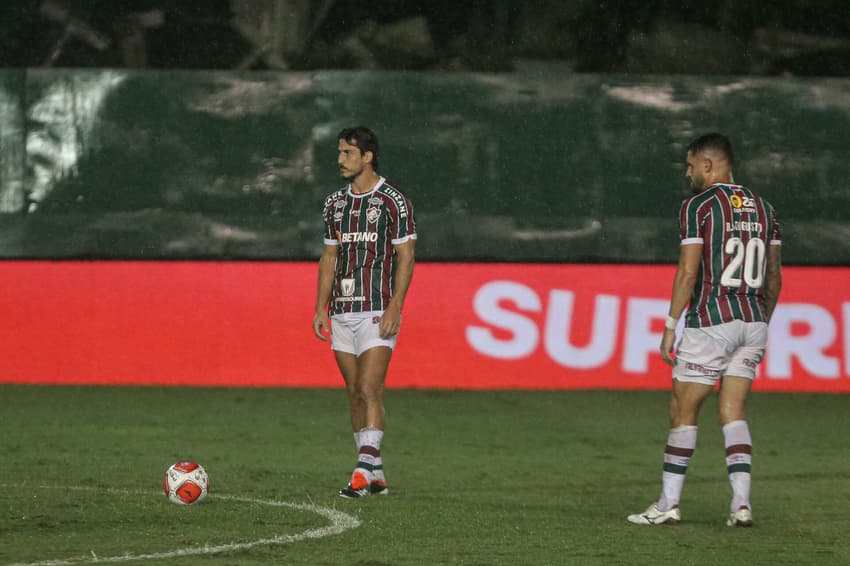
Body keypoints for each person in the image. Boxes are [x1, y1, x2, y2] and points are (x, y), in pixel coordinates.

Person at [628, 133, 782, 527]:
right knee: (733, 411)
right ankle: (741, 505)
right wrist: (761, 318)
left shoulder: (698, 207)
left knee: (683, 409)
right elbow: (775, 276)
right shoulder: (766, 209)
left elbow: (688, 271)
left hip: (712, 321)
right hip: (753, 321)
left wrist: (669, 325)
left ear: (709, 165)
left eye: (691, 164)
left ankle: (668, 504)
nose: (688, 171)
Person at [312, 126, 416, 498]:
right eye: (339, 153)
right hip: (341, 311)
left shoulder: (393, 201)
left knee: (371, 388)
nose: (340, 160)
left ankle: (361, 470)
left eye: (347, 153)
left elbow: (405, 256)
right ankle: (377, 474)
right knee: (355, 392)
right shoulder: (334, 204)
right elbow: (329, 257)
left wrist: (395, 306)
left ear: (367, 156)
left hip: (377, 310)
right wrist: (320, 308)